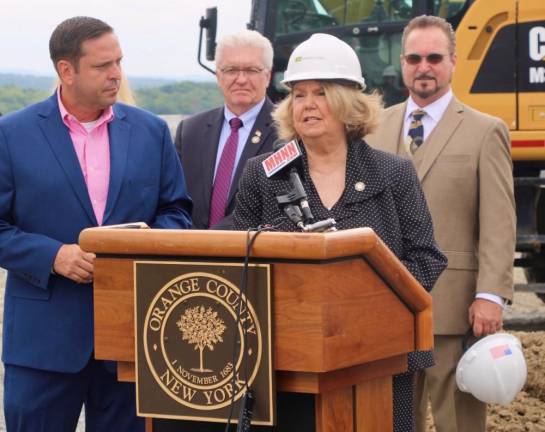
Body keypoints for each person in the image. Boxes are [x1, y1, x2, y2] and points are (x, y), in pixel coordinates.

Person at [232, 33, 447, 432]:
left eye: (320, 93)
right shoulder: (263, 174)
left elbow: (426, 257)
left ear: (348, 103)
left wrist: (367, 310)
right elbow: (236, 260)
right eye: (298, 94)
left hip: (380, 359)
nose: (307, 105)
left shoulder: (393, 173)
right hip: (287, 361)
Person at [0, 16, 192, 431]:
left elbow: (177, 212)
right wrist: (53, 256)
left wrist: (144, 247)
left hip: (133, 340)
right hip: (43, 346)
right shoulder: (10, 135)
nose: (116, 74)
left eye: (119, 62)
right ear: (65, 70)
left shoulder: (152, 132)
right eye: (103, 65)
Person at [365, 15, 516, 432]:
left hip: (455, 307)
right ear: (402, 62)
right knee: (394, 420)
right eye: (414, 58)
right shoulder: (374, 129)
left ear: (453, 62)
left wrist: (491, 295)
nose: (424, 67)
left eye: (434, 57)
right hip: (387, 306)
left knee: (458, 422)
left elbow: (499, 222)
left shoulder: (486, 131)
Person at [174, 29, 277, 229]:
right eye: (231, 70)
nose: (240, 79)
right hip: (188, 252)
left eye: (251, 70)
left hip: (254, 254)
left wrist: (211, 242)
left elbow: (274, 206)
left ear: (268, 76)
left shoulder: (288, 133)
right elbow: (174, 200)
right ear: (218, 75)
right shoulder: (190, 131)